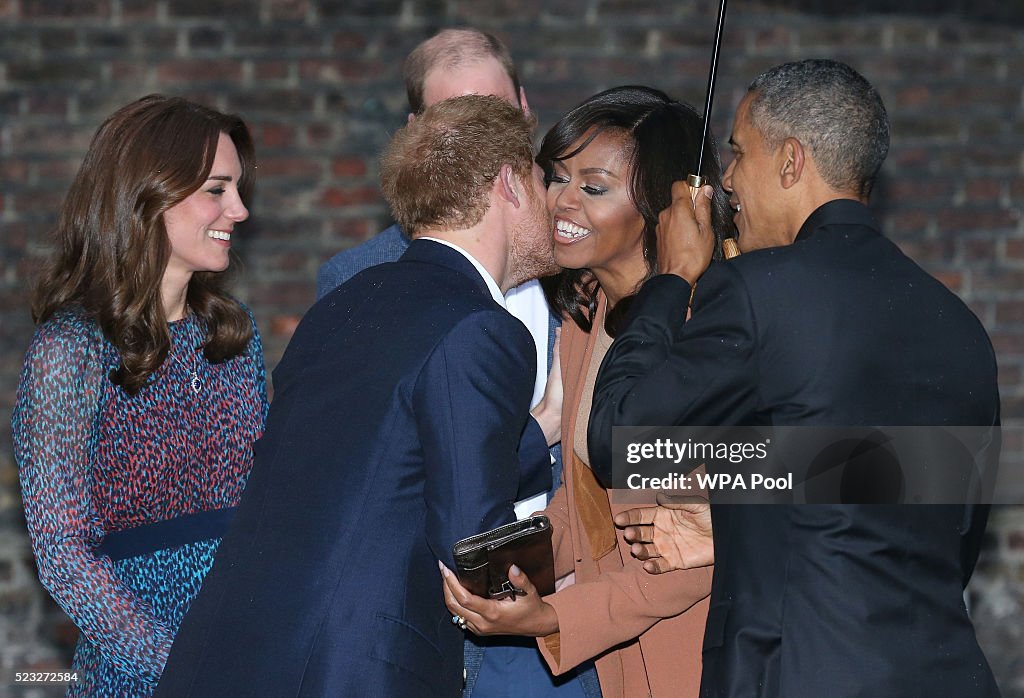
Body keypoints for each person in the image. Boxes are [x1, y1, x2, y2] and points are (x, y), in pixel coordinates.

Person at [591, 60, 1001, 697]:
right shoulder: (960, 326)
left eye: (737, 153)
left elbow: (622, 443)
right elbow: (943, 516)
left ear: (789, 162)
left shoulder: (758, 292)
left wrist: (668, 283)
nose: (726, 180)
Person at [155, 95, 563, 697]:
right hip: (355, 668)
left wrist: (539, 430)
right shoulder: (481, 326)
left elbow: (381, 466)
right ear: (508, 183)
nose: (554, 201)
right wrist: (575, 587)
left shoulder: (344, 304)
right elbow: (470, 544)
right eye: (540, 179)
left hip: (231, 651)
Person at [317, 27, 596, 698]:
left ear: (527, 110)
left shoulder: (587, 248)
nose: (484, 142)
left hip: (564, 626)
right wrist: (539, 430)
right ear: (418, 135)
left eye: (498, 117)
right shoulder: (359, 280)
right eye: (457, 121)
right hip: (424, 623)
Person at [442, 86, 735, 697]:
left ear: (667, 205)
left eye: (593, 186)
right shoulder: (588, 318)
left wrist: (556, 619)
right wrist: (512, 567)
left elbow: (686, 554)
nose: (561, 201)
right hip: (620, 658)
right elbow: (583, 505)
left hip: (693, 650)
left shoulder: (701, 329)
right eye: (556, 178)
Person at [11, 94, 268, 696]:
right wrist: (180, 661)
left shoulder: (234, 335)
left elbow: (262, 506)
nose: (240, 208)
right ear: (148, 195)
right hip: (141, 663)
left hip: (249, 645)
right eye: (217, 189)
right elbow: (62, 549)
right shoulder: (69, 350)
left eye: (237, 188)